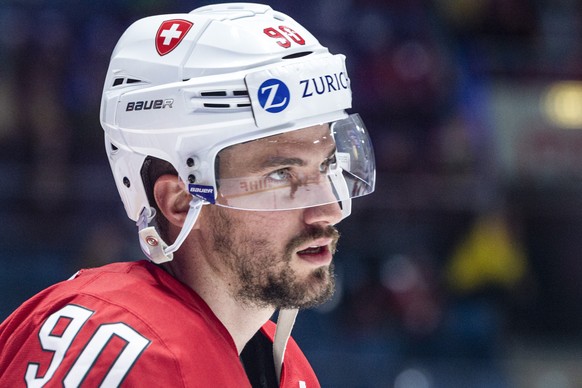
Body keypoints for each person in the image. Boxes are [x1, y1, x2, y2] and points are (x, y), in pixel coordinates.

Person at [0, 3, 376, 386]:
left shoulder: (282, 367)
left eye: (328, 166)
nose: (329, 209)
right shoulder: (127, 354)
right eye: (281, 176)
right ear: (180, 201)